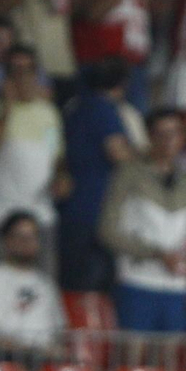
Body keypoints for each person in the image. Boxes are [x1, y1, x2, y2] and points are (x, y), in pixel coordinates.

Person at [98, 106, 186, 336]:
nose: (168, 141)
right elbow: (107, 230)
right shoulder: (128, 174)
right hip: (137, 280)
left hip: (177, 284)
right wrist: (156, 254)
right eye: (161, 134)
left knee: (171, 351)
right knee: (133, 352)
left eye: (174, 133)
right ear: (150, 137)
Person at [0, 43, 68, 272]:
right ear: (5, 75)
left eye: (28, 70)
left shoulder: (49, 113)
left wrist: (61, 176)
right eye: (15, 70)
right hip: (0, 215)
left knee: (43, 284)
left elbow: (55, 155)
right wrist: (7, 108)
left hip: (40, 215)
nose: (22, 77)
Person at [59, 58, 145, 292]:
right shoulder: (104, 110)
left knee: (74, 283)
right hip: (95, 209)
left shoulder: (75, 108)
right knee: (92, 287)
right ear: (122, 85)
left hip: (73, 207)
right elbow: (118, 153)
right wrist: (144, 156)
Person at [0, 208, 69, 364]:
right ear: (6, 240)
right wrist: (27, 350)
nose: (26, 242)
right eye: (20, 236)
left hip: (45, 362)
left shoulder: (46, 283)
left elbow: (60, 332)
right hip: (4, 360)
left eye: (31, 236)